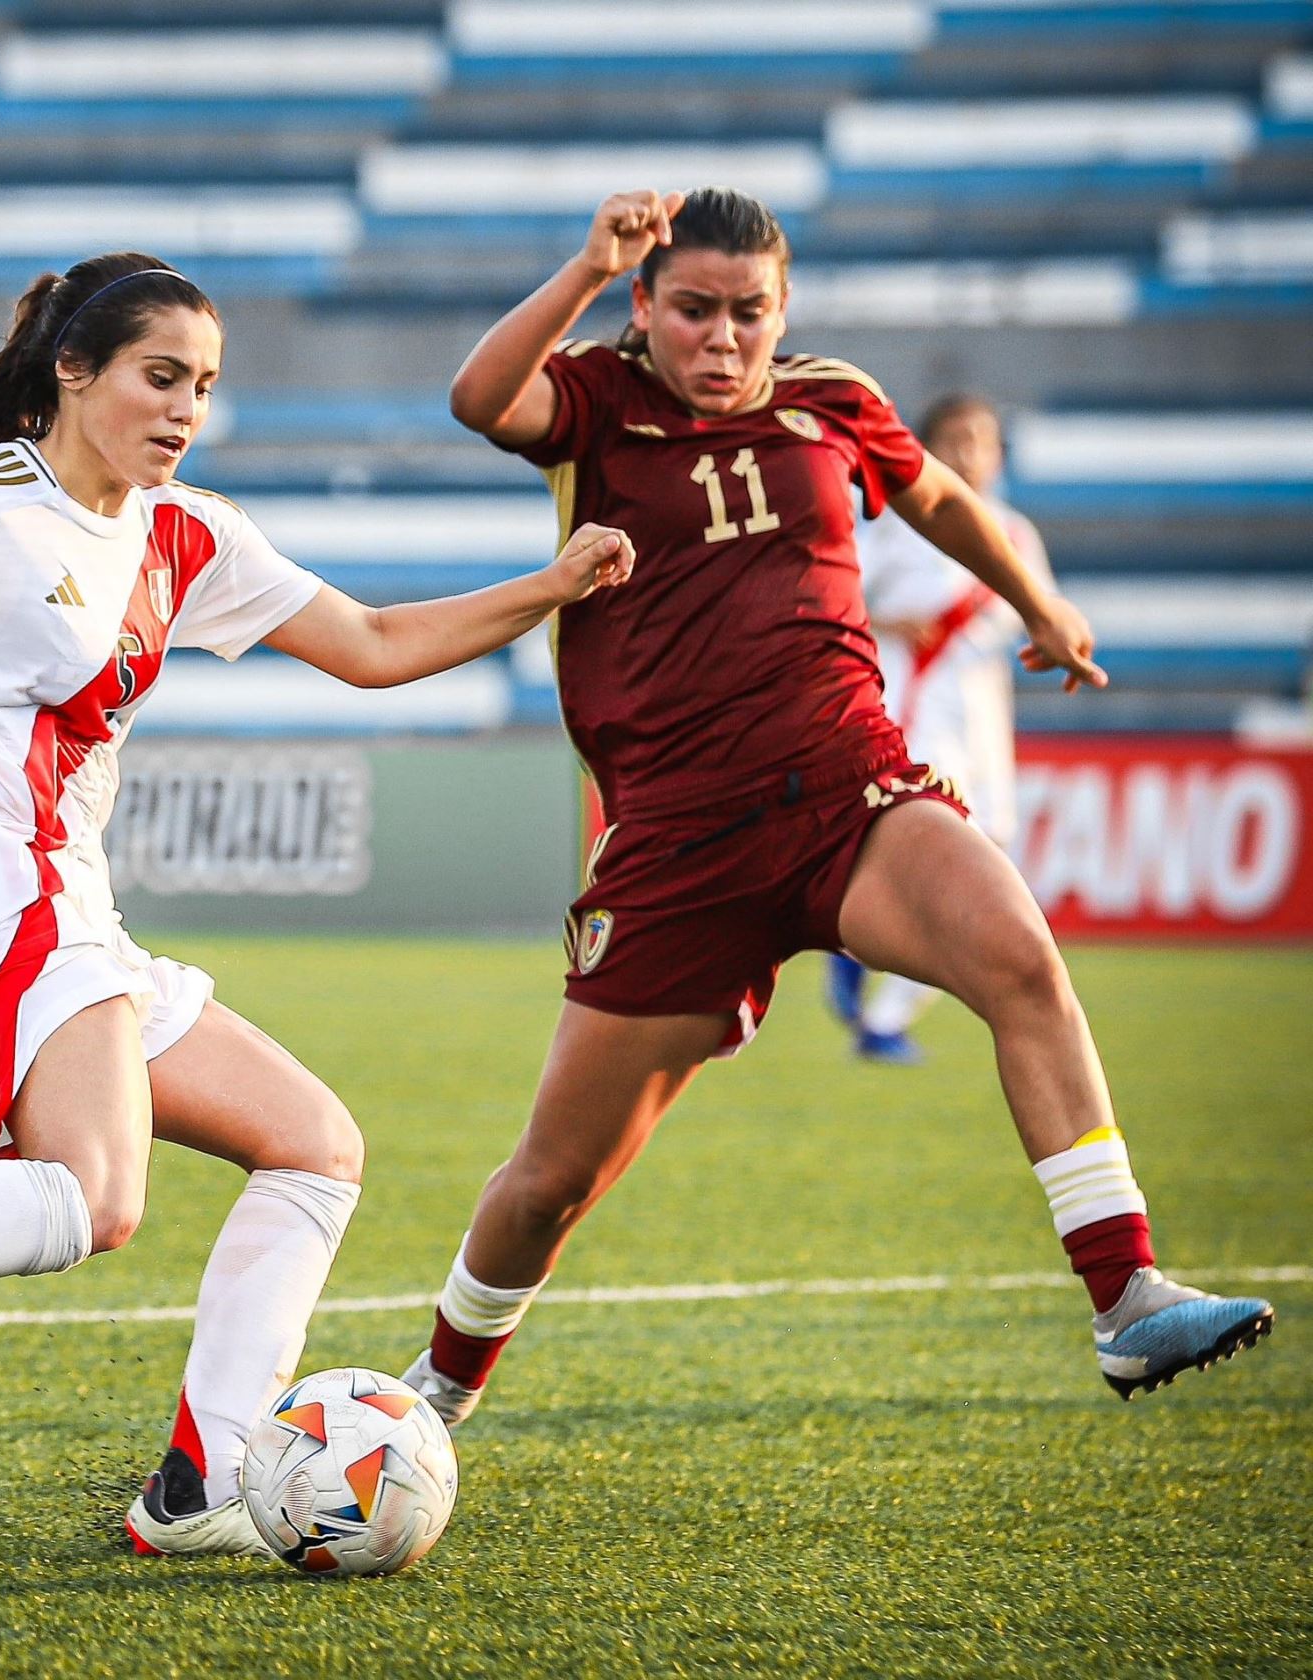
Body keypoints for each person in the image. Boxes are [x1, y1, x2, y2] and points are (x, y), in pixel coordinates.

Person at [0, 252, 634, 1557]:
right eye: (160, 377)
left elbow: (371, 647)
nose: (185, 406)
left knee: (315, 1145)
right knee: (95, 1193)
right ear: (73, 374)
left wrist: (549, 586)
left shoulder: (186, 530)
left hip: (73, 900)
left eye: (203, 384)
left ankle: (198, 1493)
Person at [398, 187, 1274, 1426]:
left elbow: (943, 503)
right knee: (551, 1182)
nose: (722, 338)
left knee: (1022, 959)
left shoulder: (832, 401)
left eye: (748, 312)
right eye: (692, 309)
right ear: (645, 308)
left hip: (850, 788)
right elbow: (479, 398)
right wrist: (586, 266)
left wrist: (1037, 602)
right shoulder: (599, 400)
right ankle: (434, 1391)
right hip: (677, 841)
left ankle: (1125, 1295)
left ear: (783, 311)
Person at [826, 393, 1055, 1064]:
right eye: (953, 440)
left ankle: (868, 983)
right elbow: (837, 604)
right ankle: (868, 979)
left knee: (997, 847)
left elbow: (1038, 613)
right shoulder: (898, 527)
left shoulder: (1015, 536)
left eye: (982, 440)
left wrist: (1050, 636)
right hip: (915, 711)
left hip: (985, 716)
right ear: (923, 451)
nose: (969, 454)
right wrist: (888, 623)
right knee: (947, 856)